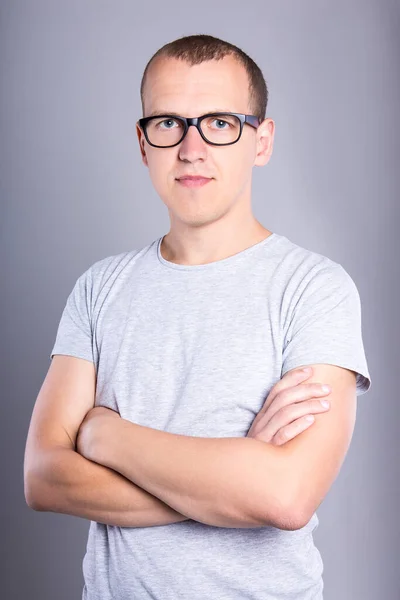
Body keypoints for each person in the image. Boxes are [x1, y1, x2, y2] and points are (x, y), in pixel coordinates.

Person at [24, 34, 371, 599]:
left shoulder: (314, 289)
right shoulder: (99, 288)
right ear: (143, 143)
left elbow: (284, 496)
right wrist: (234, 485)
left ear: (261, 140)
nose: (191, 148)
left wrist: (104, 435)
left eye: (220, 122)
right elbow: (42, 477)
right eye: (168, 123)